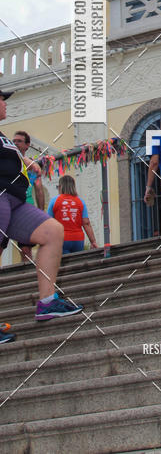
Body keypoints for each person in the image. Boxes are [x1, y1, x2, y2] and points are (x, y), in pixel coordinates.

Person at [0, 88, 83, 342]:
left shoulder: (2, 136)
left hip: (14, 199)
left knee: (52, 231)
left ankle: (47, 302)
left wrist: (28, 162)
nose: (5, 104)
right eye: (2, 99)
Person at [13, 130, 44, 262]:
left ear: (27, 145)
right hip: (7, 208)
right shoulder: (8, 162)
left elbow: (39, 189)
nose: (15, 143)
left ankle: (28, 275)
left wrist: (41, 212)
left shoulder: (31, 166)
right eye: (13, 141)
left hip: (24, 209)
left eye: (19, 141)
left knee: (25, 248)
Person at [48, 175, 98, 253]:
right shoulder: (81, 202)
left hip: (61, 239)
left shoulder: (54, 201)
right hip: (78, 240)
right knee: (76, 262)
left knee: (64, 264)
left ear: (61, 187)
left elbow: (49, 222)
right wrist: (93, 241)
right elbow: (86, 223)